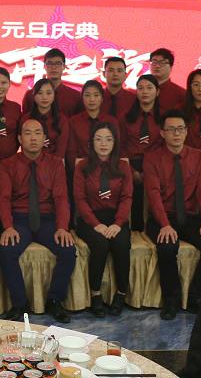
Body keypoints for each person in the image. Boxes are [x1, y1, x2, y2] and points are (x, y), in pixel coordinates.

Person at [144, 110, 201, 320]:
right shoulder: (152, 158)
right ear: (162, 133)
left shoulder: (198, 156)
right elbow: (153, 195)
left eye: (180, 129)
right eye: (171, 130)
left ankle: (198, 297)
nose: (176, 134)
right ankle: (171, 300)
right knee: (167, 246)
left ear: (187, 131)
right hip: (162, 217)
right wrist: (164, 224)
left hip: (190, 217)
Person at [0, 119, 75, 323]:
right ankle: (19, 304)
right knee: (7, 250)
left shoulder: (55, 164)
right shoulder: (8, 164)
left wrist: (62, 227)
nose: (33, 138)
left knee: (68, 249)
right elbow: (3, 198)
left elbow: (61, 198)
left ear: (44, 138)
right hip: (19, 220)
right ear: (19, 138)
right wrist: (8, 226)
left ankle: (54, 301)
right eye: (28, 133)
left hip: (47, 219)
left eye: (38, 133)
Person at [73, 121, 133, 317]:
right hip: (90, 218)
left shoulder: (123, 166)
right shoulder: (82, 166)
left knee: (121, 243)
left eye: (108, 139)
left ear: (115, 142)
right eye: (98, 139)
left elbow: (126, 197)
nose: (103, 144)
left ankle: (121, 293)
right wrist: (96, 224)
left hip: (116, 218)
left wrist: (118, 223)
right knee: (100, 243)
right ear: (92, 142)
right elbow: (80, 199)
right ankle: (96, 294)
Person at [122, 74, 163, 232]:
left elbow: (164, 146)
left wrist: (149, 171)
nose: (145, 92)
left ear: (157, 92)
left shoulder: (164, 118)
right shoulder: (126, 117)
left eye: (149, 88)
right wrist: (131, 171)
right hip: (130, 165)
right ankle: (133, 234)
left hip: (156, 166)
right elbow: (121, 146)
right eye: (140, 88)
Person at [66, 80, 118, 172]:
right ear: (82, 98)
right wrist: (81, 171)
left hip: (107, 170)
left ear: (102, 98)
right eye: (87, 95)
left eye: (96, 95)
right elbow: (71, 153)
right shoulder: (73, 122)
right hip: (82, 170)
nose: (92, 99)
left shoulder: (111, 121)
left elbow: (116, 149)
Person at [21, 49, 82, 117]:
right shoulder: (31, 95)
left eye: (58, 63)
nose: (54, 67)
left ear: (64, 67)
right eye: (50, 63)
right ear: (44, 66)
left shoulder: (76, 96)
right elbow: (25, 121)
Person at [19, 78, 69, 159]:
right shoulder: (26, 119)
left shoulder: (62, 120)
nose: (44, 97)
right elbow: (25, 148)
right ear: (34, 96)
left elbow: (61, 151)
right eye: (40, 93)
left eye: (48, 93)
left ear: (54, 95)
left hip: (55, 164)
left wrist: (51, 165)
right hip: (30, 163)